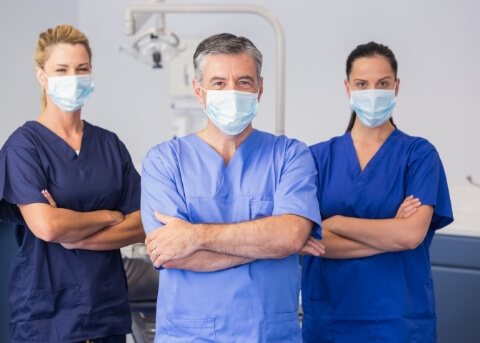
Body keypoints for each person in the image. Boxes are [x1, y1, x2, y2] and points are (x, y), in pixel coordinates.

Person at [141, 33, 325, 342]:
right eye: (218, 83)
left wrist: (195, 235)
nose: (232, 92)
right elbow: (170, 254)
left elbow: (291, 236)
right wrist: (270, 244)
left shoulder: (291, 155)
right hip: (189, 334)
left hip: (268, 333)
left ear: (259, 89)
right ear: (199, 91)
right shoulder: (164, 161)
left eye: (243, 82)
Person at [301, 41, 454, 343]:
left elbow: (411, 235)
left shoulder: (419, 155)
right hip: (332, 317)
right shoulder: (316, 158)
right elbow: (308, 241)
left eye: (382, 83)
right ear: (348, 88)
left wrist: (335, 223)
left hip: (398, 319)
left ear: (396, 87)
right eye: (362, 83)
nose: (372, 92)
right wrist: (390, 234)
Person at [0, 24, 145, 343]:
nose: (73, 78)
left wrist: (75, 234)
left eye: (82, 69)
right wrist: (109, 215)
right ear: (42, 75)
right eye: (61, 69)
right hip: (47, 318)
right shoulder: (24, 147)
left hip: (105, 311)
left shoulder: (109, 144)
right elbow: (48, 227)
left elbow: (144, 221)